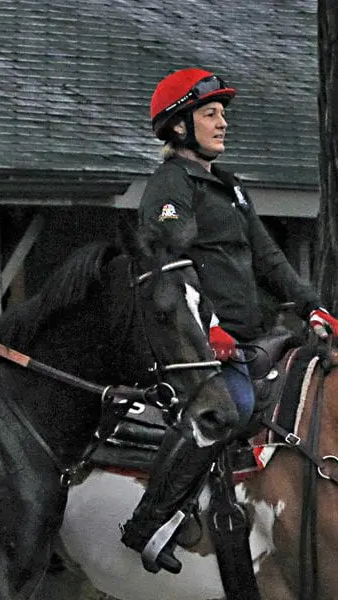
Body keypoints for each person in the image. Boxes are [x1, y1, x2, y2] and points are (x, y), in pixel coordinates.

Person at [120, 67, 338, 574]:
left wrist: (312, 305)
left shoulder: (228, 185)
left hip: (251, 337)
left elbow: (267, 257)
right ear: (179, 127)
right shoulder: (171, 184)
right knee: (232, 405)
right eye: (210, 114)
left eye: (223, 115)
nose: (222, 124)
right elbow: (169, 269)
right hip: (196, 342)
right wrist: (209, 329)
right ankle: (149, 520)